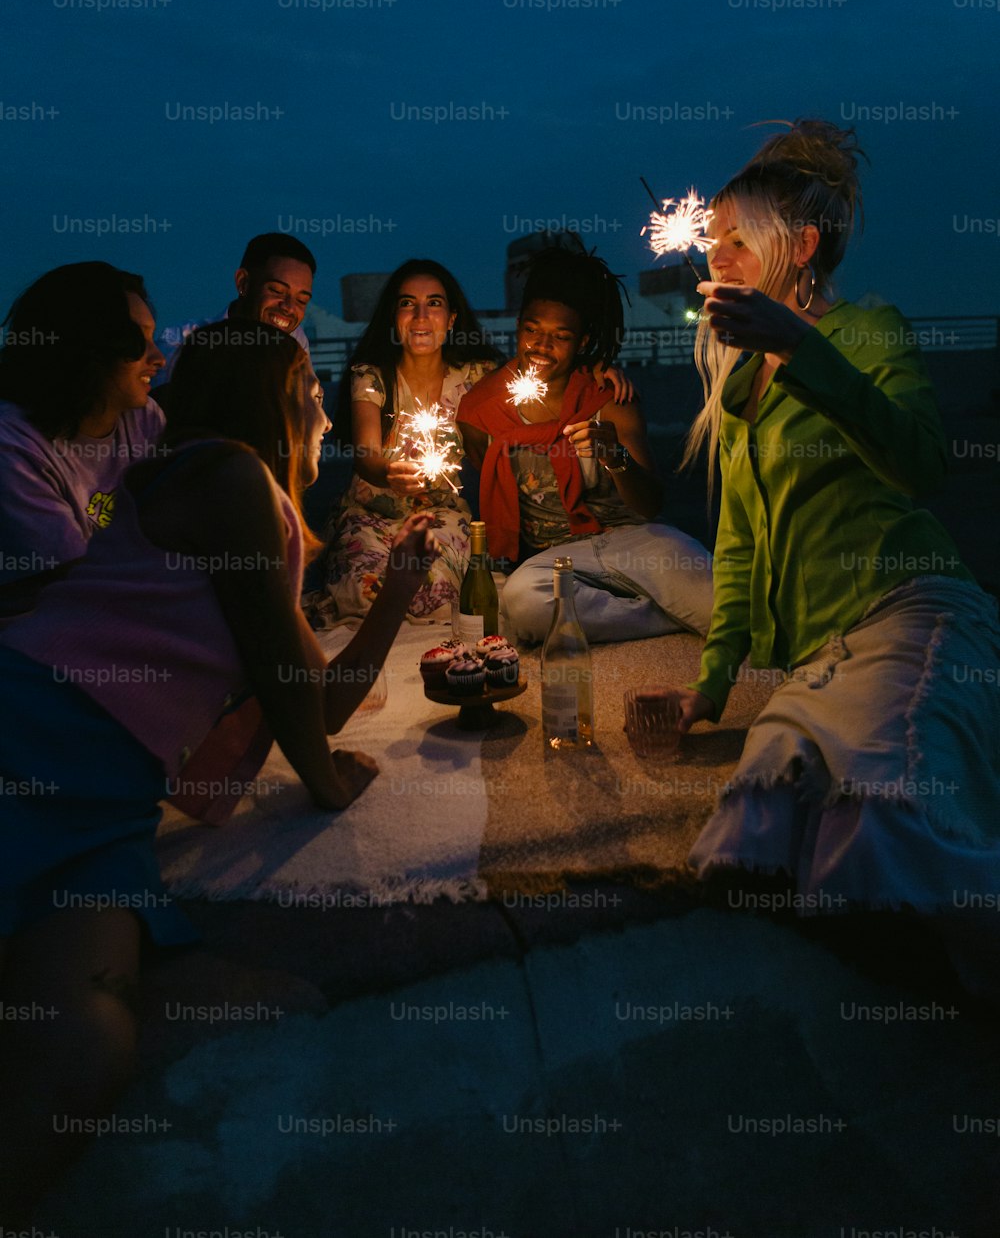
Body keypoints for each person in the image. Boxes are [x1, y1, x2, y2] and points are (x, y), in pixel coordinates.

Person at [0, 319, 436, 1219]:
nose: (322, 407)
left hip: (104, 798)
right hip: (34, 727)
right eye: (308, 388)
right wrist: (323, 785)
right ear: (271, 398)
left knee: (90, 1030)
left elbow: (311, 697)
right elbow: (287, 684)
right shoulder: (228, 475)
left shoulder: (239, 493)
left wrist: (399, 587)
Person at [643, 119, 1000, 927]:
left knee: (883, 822)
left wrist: (803, 351)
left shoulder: (867, 332)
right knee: (751, 833)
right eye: (711, 240)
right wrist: (711, 685)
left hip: (912, 608)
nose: (712, 257)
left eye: (735, 240)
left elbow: (921, 464)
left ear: (801, 248)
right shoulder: (737, 396)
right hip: (819, 654)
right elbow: (736, 548)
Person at [457, 246, 715, 643]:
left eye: (561, 336)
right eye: (532, 329)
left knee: (720, 601)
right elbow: (487, 475)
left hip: (634, 540)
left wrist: (616, 456)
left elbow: (651, 504)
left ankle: (646, 601)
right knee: (524, 606)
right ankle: (659, 617)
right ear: (518, 325)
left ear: (583, 341)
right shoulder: (482, 409)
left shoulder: (608, 397)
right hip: (555, 558)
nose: (541, 346)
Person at [308, 259, 504, 624]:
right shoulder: (372, 375)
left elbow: (536, 376)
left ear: (452, 318)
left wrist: (595, 367)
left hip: (440, 513)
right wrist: (388, 473)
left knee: (439, 585)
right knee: (365, 588)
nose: (420, 315)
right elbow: (366, 455)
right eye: (406, 303)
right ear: (393, 318)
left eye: (434, 303)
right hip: (370, 514)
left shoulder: (476, 375)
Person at [0, 262, 166, 620]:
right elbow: (78, 585)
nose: (158, 358)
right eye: (138, 340)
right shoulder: (13, 446)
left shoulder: (144, 418)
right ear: (88, 346)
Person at [156, 231, 316, 383]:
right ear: (243, 282)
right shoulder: (179, 342)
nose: (288, 308)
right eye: (277, 290)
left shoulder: (296, 341)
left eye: (301, 301)